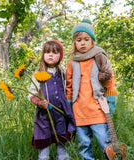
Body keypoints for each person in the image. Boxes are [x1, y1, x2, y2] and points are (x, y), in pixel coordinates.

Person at [66, 19, 117, 160]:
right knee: (84, 146)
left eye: (86, 39)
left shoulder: (99, 58)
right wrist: (69, 105)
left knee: (105, 143)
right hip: (79, 111)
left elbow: (109, 80)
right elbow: (69, 86)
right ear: (74, 43)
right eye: (79, 40)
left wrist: (110, 103)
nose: (82, 43)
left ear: (92, 40)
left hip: (98, 110)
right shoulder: (73, 62)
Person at [28, 40, 76, 160]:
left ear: (60, 56)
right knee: (44, 147)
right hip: (43, 116)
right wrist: (39, 102)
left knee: (62, 143)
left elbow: (70, 91)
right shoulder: (38, 75)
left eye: (54, 52)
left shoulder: (64, 74)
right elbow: (31, 95)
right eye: (47, 52)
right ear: (43, 55)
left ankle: (63, 157)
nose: (50, 55)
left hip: (61, 115)